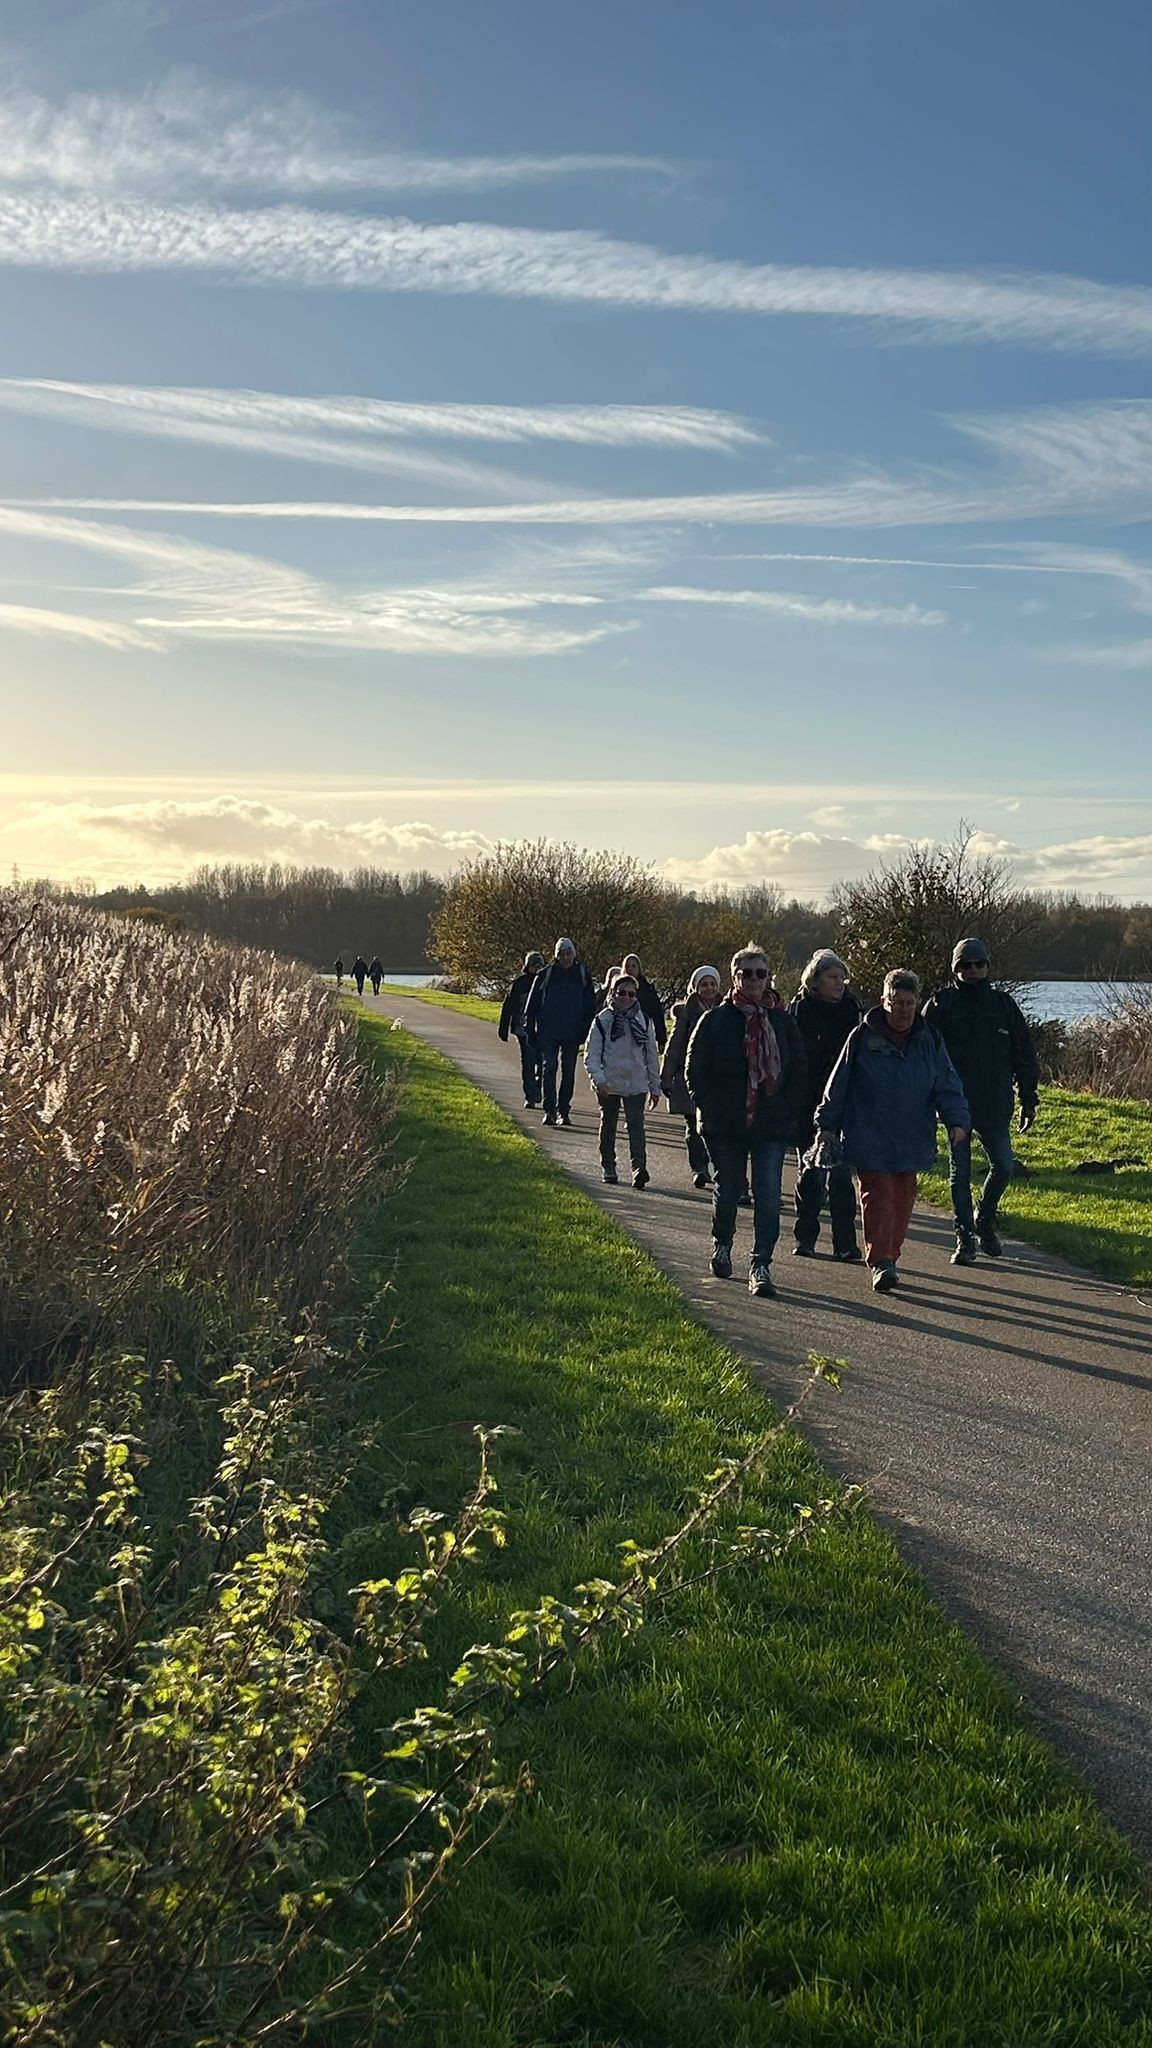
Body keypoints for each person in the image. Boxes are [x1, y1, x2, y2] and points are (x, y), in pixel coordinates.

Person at [815, 969, 969, 1293]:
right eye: (897, 1003)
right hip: (870, 1133)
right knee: (878, 1197)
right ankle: (881, 1261)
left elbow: (947, 1083)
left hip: (912, 1135)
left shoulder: (930, 1039)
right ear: (884, 1001)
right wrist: (827, 1125)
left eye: (910, 1003)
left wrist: (957, 1120)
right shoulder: (862, 1037)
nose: (904, 1010)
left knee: (901, 1201)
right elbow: (839, 1083)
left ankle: (890, 1255)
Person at [685, 945, 808, 1299]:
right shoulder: (715, 1021)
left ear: (769, 978)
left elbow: (799, 1069)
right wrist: (709, 1107)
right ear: (735, 977)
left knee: (768, 1194)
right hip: (725, 1124)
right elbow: (695, 1070)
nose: (755, 980)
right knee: (728, 1189)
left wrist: (788, 1109)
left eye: (761, 973)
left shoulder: (782, 1022)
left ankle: (761, 1263)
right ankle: (722, 1244)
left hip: (770, 1123)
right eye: (747, 973)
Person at [923, 938, 1040, 1264]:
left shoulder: (1003, 1005)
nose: (972, 970)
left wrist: (1028, 1098)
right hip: (956, 1105)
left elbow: (1024, 1055)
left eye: (978, 964)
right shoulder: (941, 1004)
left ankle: (984, 1219)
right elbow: (923, 1055)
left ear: (987, 966)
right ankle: (964, 1238)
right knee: (959, 1173)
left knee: (1004, 1166)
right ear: (955, 969)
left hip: (995, 1101)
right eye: (965, 965)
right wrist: (926, 1100)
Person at [788, 950, 862, 1261]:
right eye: (833, 977)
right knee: (811, 1174)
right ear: (816, 980)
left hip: (842, 1102)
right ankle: (805, 1237)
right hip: (806, 1102)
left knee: (842, 1176)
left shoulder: (852, 1010)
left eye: (843, 977)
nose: (839, 983)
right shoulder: (799, 1010)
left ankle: (845, 1243)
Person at [584, 971, 662, 1187]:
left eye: (631, 994)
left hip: (636, 1082)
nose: (626, 998)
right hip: (609, 1082)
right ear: (613, 993)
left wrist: (655, 1087)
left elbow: (651, 1055)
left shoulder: (643, 1020)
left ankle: (639, 1169)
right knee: (608, 1124)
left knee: (636, 1125)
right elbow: (591, 1055)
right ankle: (608, 1166)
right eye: (622, 993)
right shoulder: (603, 1020)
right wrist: (598, 1079)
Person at [523, 937, 598, 1128]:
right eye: (562, 954)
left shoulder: (582, 974)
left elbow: (590, 1005)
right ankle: (549, 1110)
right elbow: (531, 1006)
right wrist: (530, 1031)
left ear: (574, 954)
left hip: (573, 1031)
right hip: (548, 1031)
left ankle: (563, 1111)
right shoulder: (545, 975)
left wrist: (586, 1029)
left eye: (568, 953)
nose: (565, 958)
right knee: (549, 1068)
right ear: (556, 956)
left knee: (568, 1071)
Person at [661, 965, 721, 1187]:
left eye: (712, 984)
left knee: (714, 1127)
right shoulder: (686, 1014)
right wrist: (666, 1076)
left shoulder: (725, 1010)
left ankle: (718, 1167)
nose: (709, 988)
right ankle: (699, 1167)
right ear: (696, 987)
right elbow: (674, 1047)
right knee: (693, 1126)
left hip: (717, 1078)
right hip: (689, 1077)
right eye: (704, 984)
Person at [498, 950, 546, 1107]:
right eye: (534, 965)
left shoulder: (547, 982)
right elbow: (508, 1007)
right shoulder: (519, 984)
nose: (537, 968)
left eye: (539, 965)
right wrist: (503, 1027)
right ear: (527, 966)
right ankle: (530, 1095)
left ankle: (538, 1090)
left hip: (543, 1030)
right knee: (528, 1062)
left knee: (543, 1063)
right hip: (523, 1030)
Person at [620, 953, 667, 1052]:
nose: (630, 969)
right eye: (627, 966)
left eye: (633, 966)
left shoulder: (647, 990)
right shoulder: (617, 990)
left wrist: (661, 1039)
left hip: (643, 1033)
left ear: (639, 968)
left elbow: (657, 1014)